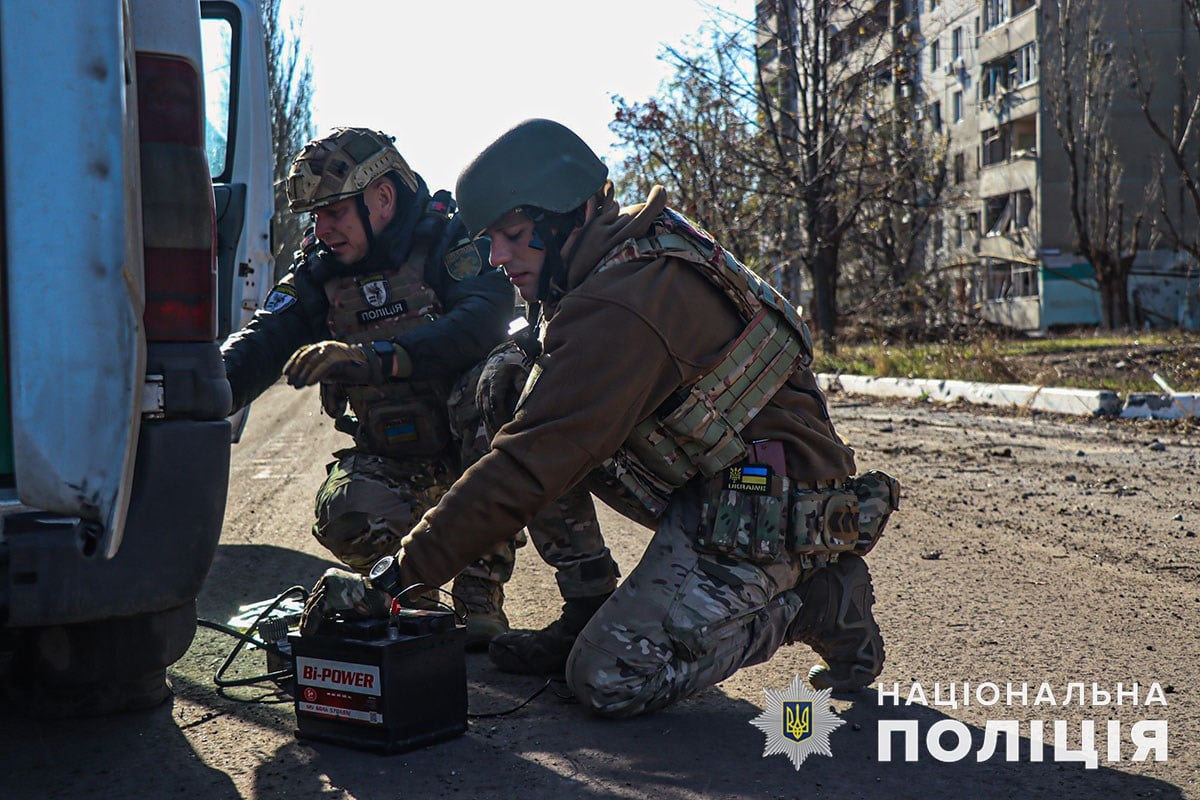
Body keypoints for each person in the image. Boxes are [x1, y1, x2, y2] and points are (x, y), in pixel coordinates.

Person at [360, 118, 901, 718]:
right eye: (491, 239)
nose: (498, 257)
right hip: (716, 476)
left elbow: (527, 465)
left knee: (611, 676)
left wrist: (395, 579)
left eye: (513, 233)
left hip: (771, 506)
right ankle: (589, 602)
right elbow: (540, 434)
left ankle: (818, 599)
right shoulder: (612, 262)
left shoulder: (622, 301)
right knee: (509, 379)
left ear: (574, 213)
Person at [221, 127, 519, 648]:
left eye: (333, 210)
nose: (323, 227)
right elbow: (264, 340)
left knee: (504, 380)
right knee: (344, 513)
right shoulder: (319, 272)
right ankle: (415, 595)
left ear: (382, 197)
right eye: (315, 216)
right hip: (394, 457)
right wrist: (193, 387)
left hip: (470, 460)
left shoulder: (452, 242)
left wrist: (376, 359)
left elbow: (483, 319)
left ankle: (480, 591)